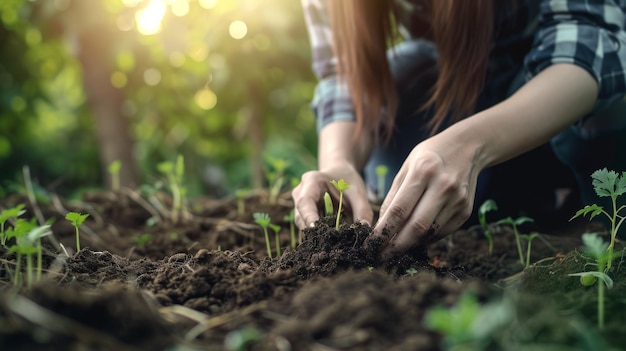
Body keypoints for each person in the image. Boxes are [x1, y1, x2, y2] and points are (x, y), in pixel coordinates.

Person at [292, 0, 626, 259]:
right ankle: (517, 197)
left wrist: (469, 147)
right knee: (409, 72)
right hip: (460, 84)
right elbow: (343, 75)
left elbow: (593, 41)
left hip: (558, 83)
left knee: (607, 126)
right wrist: (338, 161)